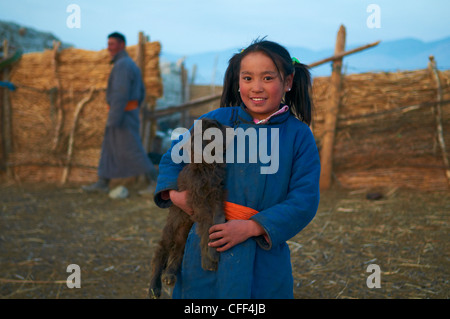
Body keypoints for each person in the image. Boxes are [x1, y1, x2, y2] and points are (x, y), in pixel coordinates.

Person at [153, 39, 321, 298]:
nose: (256, 87)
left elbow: (304, 199)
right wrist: (175, 195)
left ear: (287, 82)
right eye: (247, 78)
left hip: (261, 254)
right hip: (205, 242)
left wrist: (253, 227)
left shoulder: (297, 136)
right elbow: (172, 159)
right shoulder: (217, 121)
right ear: (237, 81)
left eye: (267, 78)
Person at [82, 32, 157, 195]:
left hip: (122, 116)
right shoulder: (128, 64)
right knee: (109, 149)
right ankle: (103, 182)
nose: (109, 48)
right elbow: (142, 92)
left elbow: (120, 94)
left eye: (112, 44)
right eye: (108, 44)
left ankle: (157, 182)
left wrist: (114, 118)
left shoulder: (123, 65)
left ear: (121, 45)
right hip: (125, 113)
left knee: (132, 149)